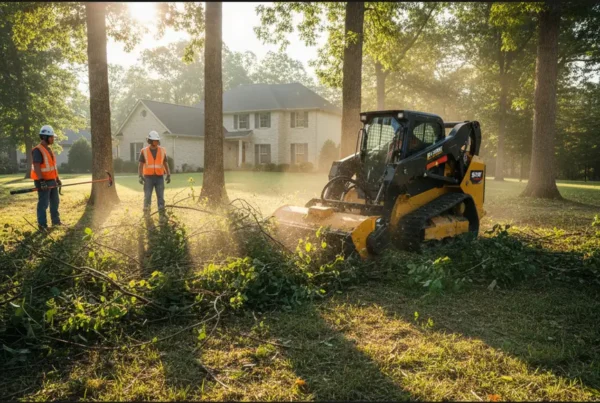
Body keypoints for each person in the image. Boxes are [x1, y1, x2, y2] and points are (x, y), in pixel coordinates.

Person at [31, 125, 63, 231]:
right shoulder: (37, 150)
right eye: (51, 137)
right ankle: (42, 225)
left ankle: (56, 221)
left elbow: (53, 167)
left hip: (52, 180)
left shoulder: (49, 150)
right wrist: (41, 181)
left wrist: (57, 179)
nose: (53, 139)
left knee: (55, 201)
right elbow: (36, 166)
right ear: (45, 137)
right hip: (43, 181)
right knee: (43, 203)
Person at [138, 130, 171, 216]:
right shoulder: (144, 151)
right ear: (150, 141)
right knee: (147, 197)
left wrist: (168, 174)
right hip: (148, 178)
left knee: (160, 197)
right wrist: (140, 176)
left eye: (157, 140)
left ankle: (162, 215)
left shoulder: (162, 150)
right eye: (154, 140)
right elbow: (141, 165)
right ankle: (146, 214)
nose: (156, 141)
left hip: (159, 177)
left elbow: (165, 163)